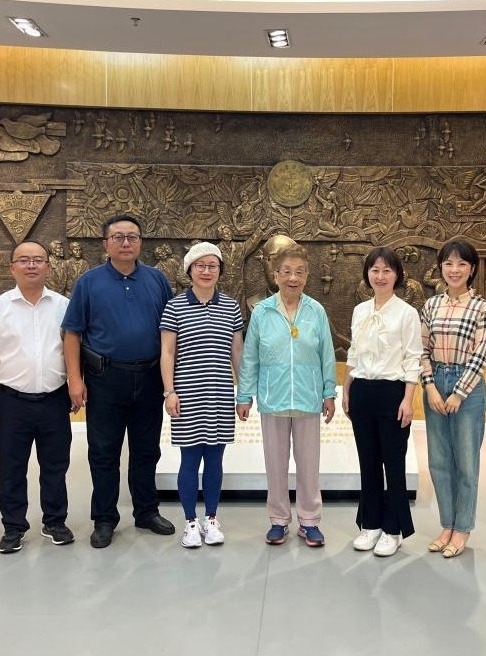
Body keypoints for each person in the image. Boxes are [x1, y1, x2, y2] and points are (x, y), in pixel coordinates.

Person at [62, 214, 175, 548]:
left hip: (150, 377)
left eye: (132, 237)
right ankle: (105, 518)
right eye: (118, 237)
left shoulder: (157, 280)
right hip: (105, 378)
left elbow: (170, 332)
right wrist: (74, 380)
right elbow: (72, 333)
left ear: (140, 242)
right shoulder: (88, 282)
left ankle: (146, 511)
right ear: (105, 243)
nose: (126, 243)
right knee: (104, 451)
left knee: (147, 449)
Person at [0, 241, 73, 554]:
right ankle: (13, 527)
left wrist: (76, 384)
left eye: (39, 260)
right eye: (24, 260)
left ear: (48, 267)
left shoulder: (63, 305)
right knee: (12, 468)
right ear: (12, 267)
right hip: (11, 401)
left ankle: (54, 521)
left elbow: (73, 348)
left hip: (54, 398)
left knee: (55, 465)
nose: (32, 265)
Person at [236, 243, 337, 547]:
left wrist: (329, 392)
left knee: (309, 465)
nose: (293, 278)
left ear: (307, 276)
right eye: (287, 271)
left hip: (308, 398)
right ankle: (279, 520)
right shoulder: (262, 311)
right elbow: (250, 356)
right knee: (275, 464)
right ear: (276, 274)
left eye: (300, 272)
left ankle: (309, 521)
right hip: (273, 398)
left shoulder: (316, 311)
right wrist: (244, 395)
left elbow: (327, 354)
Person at [159, 242, 243, 548]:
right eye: (200, 265)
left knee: (215, 459)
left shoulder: (231, 306)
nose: (206, 271)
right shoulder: (175, 306)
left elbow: (237, 353)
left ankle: (211, 518)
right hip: (187, 395)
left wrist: (243, 393)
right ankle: (190, 522)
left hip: (220, 394)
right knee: (190, 459)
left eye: (213, 266)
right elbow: (167, 352)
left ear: (220, 270)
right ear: (189, 270)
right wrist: (169, 391)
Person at [343, 247, 423, 557]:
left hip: (393, 393)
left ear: (397, 275)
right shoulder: (360, 310)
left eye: (387, 270)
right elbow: (354, 352)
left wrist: (408, 400)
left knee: (394, 463)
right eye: (375, 270)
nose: (380, 276)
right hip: (362, 391)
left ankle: (393, 529)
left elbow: (413, 359)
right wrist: (346, 389)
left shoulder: (406, 313)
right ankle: (371, 524)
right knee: (368, 462)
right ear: (367, 274)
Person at [420, 238, 486, 558]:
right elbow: (421, 349)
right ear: (441, 267)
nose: (454, 269)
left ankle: (462, 529)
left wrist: (459, 393)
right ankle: (447, 525)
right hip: (436, 381)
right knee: (438, 461)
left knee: (465, 462)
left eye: (462, 263)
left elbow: (481, 355)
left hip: (468, 387)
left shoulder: (481, 306)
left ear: (471, 269)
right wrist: (430, 386)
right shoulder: (431, 305)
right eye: (448, 263)